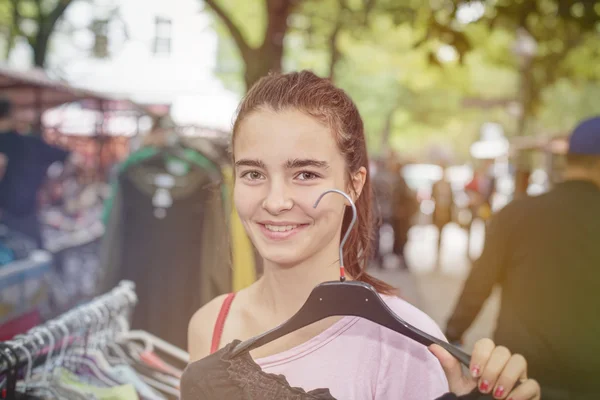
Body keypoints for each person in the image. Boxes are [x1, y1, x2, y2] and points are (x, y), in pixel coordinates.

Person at [186, 71, 540, 399]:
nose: (276, 201)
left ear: (354, 184)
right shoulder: (209, 324)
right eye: (253, 174)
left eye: (306, 174)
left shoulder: (408, 343)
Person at [445, 116, 600, 400]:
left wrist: (452, 332)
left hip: (517, 378)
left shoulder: (517, 214)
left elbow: (478, 284)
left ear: (569, 159)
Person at [0, 97, 73, 248]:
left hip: (17, 216)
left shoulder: (28, 143)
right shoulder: (31, 143)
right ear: (12, 115)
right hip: (25, 215)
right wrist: (53, 183)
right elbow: (73, 158)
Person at [432, 165, 454, 268]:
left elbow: (451, 199)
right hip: (438, 211)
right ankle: (437, 252)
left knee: (442, 233)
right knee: (438, 233)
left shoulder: (448, 185)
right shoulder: (436, 184)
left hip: (445, 211)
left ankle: (440, 252)